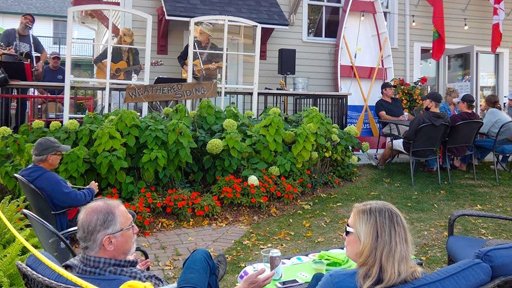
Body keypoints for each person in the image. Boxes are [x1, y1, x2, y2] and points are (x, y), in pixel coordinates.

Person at [63, 198, 274, 288]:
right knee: (201, 260)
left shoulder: (71, 268)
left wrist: (125, 264)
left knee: (200, 256)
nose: (137, 230)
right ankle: (211, 275)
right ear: (109, 242)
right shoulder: (132, 282)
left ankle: (210, 273)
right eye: (129, 227)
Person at [310, 201, 422, 288]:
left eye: (348, 229)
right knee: (318, 277)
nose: (344, 235)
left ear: (367, 239)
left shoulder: (335, 282)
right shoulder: (424, 280)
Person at [19, 137, 98, 231]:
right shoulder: (48, 179)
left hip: (48, 221)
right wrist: (91, 190)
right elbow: (74, 199)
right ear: (50, 157)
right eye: (59, 154)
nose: (61, 157)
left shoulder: (31, 173)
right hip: (63, 221)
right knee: (105, 212)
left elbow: (58, 191)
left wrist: (63, 186)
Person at [374, 91, 449, 170]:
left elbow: (409, 137)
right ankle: (380, 158)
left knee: (391, 144)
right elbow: (444, 136)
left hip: (414, 149)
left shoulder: (421, 118)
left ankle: (380, 164)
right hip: (433, 150)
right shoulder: (446, 119)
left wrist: (405, 135)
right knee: (396, 145)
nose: (423, 102)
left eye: (426, 100)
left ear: (431, 103)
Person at [0, 13, 48, 131]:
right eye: (25, 18)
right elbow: (0, 48)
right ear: (21, 19)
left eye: (30, 20)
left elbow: (44, 53)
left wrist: (41, 63)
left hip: (24, 73)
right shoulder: (8, 33)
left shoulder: (32, 39)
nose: (28, 21)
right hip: (8, 72)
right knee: (5, 101)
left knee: (22, 103)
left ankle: (19, 130)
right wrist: (6, 51)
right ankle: (4, 130)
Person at [471, 94, 512, 170]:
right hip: (509, 144)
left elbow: (482, 130)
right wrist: (483, 112)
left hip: (500, 144)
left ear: (486, 103)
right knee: (489, 139)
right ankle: (501, 164)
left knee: (473, 141)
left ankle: (475, 159)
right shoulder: (500, 111)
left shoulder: (492, 111)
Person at [449, 94, 481, 171]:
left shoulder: (456, 118)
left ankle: (445, 163)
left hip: (454, 146)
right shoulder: (477, 117)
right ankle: (462, 163)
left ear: (464, 104)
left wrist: (452, 111)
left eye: (459, 102)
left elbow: (447, 129)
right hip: (469, 146)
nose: (458, 104)